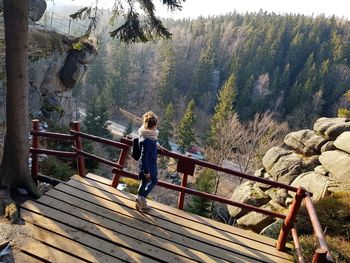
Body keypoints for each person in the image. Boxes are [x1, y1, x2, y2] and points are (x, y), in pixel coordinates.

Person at [136, 111, 159, 211]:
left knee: (144, 183)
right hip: (149, 166)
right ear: (154, 125)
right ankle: (141, 199)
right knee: (154, 181)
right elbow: (145, 156)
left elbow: (149, 146)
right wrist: (146, 172)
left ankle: (140, 202)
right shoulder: (149, 139)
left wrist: (158, 146)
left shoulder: (144, 134)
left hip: (144, 165)